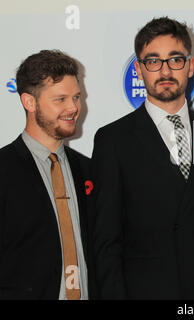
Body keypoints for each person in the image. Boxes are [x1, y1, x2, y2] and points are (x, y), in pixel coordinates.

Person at [91, 17, 194, 299]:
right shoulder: (113, 140)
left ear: (191, 66)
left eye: (175, 60)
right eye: (153, 61)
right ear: (139, 69)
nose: (165, 70)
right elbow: (106, 241)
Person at [0, 50, 91, 299]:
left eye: (76, 97)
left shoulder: (89, 171)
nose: (73, 108)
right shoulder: (4, 170)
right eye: (60, 99)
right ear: (29, 102)